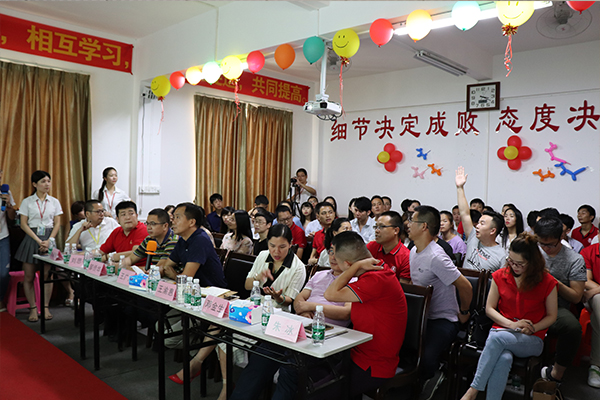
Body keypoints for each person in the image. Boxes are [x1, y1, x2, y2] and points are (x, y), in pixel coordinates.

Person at [227, 241, 352, 400]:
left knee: (291, 367)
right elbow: (298, 302)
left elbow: (346, 313)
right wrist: (304, 309)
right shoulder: (320, 275)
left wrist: (309, 306)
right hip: (299, 328)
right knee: (262, 355)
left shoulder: (355, 280)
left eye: (338, 253)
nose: (333, 257)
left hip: (324, 338)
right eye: (331, 252)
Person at [461, 234, 558, 400]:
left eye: (519, 264)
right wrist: (511, 325)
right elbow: (489, 309)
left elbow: (552, 316)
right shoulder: (501, 275)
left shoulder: (547, 281)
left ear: (532, 262)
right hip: (502, 330)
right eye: (511, 261)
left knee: (497, 340)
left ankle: (472, 391)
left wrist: (533, 327)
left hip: (532, 337)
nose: (514, 266)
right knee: (503, 358)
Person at [322, 231, 408, 398]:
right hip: (357, 352)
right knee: (313, 374)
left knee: (317, 394)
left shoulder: (376, 279)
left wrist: (354, 267)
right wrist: (356, 266)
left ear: (347, 264)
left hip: (375, 363)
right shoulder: (377, 269)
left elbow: (330, 294)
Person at [408, 205, 473, 381]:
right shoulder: (413, 251)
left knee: (426, 358)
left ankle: (435, 380)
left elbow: (466, 286)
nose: (408, 224)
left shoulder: (437, 257)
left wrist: (464, 311)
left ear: (424, 226)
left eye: (412, 221)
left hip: (443, 319)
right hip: (422, 316)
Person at [534, 217, 586, 385]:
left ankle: (556, 373)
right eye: (542, 244)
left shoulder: (574, 259)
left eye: (550, 245)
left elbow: (576, 296)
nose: (545, 249)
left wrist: (552, 280)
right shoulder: (532, 250)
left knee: (572, 327)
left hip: (554, 307)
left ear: (561, 237)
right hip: (527, 299)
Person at [15, 171, 63, 322]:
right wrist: (38, 240)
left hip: (49, 237)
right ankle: (33, 308)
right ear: (34, 184)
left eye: (48, 181)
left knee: (47, 275)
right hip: (32, 237)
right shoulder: (27, 201)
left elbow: (57, 223)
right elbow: (23, 224)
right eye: (43, 181)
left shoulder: (54, 201)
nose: (47, 184)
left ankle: (46, 307)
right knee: (29, 276)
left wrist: (49, 240)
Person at [161, 203, 227, 286]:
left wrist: (174, 275)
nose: (173, 221)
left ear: (191, 222)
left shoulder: (200, 240)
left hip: (210, 290)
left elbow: (187, 278)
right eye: (173, 217)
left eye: (177, 217)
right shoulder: (183, 240)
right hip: (193, 288)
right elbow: (166, 266)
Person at [456, 167, 505, 272]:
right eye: (478, 223)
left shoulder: (502, 256)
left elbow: (500, 280)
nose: (477, 226)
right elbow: (465, 214)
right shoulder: (473, 236)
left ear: (492, 230)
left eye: (482, 223)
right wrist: (460, 188)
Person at [245, 224, 306, 309]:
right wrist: (258, 278)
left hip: (277, 310)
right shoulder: (262, 255)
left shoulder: (298, 267)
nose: (276, 251)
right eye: (272, 246)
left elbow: (289, 300)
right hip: (254, 304)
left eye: (282, 247)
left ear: (290, 244)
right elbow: (247, 286)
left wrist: (278, 297)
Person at [100, 201, 148, 266]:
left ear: (136, 216)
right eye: (123, 214)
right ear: (117, 219)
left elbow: (135, 252)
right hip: (121, 268)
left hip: (140, 269)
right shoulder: (116, 232)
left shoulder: (143, 230)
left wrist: (109, 257)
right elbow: (102, 251)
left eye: (131, 214)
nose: (128, 217)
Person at [367, 211, 410, 283]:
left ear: (396, 230)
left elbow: (403, 287)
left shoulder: (406, 257)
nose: (376, 231)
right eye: (376, 227)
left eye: (381, 227)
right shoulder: (371, 247)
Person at [582, 242, 600, 387]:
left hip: (594, 292)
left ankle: (596, 365)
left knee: (596, 318)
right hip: (594, 296)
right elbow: (587, 281)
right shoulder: (588, 252)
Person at [0, 169, 16, 313]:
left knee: (3, 273)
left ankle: (0, 300)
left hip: (2, 237)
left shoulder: (5, 192)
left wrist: (9, 204)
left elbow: (11, 217)